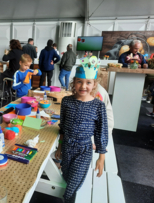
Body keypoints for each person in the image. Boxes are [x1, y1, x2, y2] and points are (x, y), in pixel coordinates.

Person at [55, 57, 108, 203]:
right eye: (79, 81)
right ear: (74, 82)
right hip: (67, 147)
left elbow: (101, 131)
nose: (83, 86)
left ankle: (67, 200)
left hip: (84, 149)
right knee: (67, 176)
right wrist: (60, 146)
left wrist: (101, 157)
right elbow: (63, 127)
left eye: (88, 82)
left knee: (73, 182)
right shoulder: (66, 101)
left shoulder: (98, 105)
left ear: (94, 84)